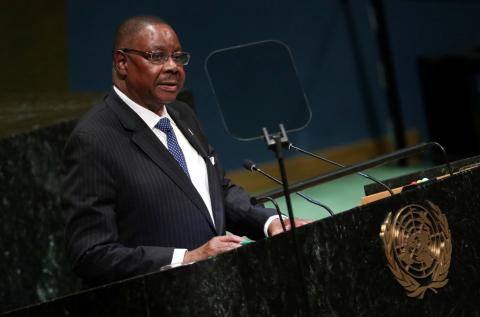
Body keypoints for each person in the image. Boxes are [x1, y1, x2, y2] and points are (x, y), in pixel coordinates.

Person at [62, 15, 307, 286]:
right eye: (157, 57)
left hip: (220, 289)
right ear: (122, 63)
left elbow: (215, 191)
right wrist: (186, 258)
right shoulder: (93, 140)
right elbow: (90, 253)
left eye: (178, 57)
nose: (172, 67)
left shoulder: (182, 114)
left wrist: (271, 221)